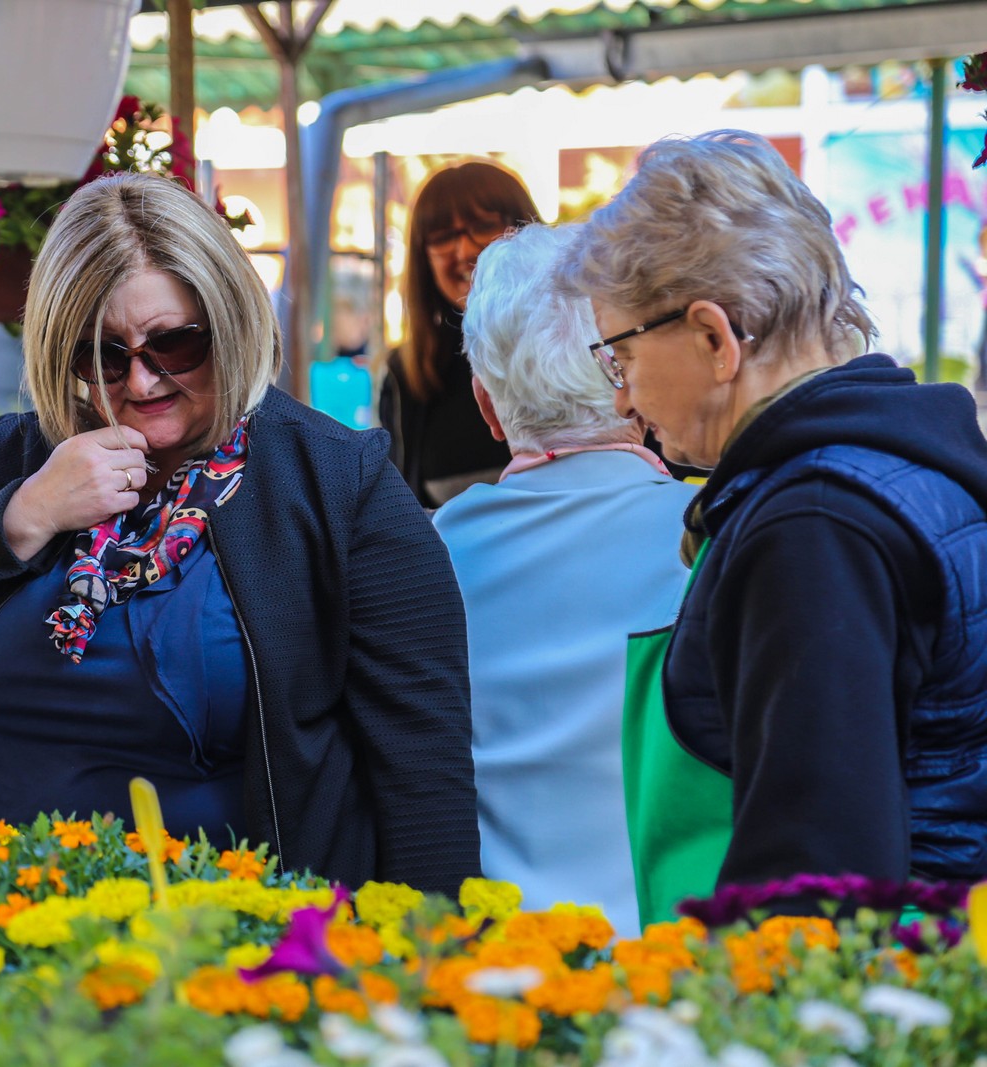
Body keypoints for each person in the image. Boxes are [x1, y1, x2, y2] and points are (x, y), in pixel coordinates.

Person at [0, 172, 480, 894]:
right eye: (103, 355)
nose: (142, 383)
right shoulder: (25, 458)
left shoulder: (338, 483)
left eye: (174, 344)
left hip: (232, 950)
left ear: (230, 322)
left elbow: (423, 774)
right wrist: (25, 514)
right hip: (1, 938)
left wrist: (431, 964)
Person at [556, 129, 987, 894]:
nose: (621, 397)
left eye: (618, 357)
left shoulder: (813, 527)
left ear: (714, 338)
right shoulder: (901, 469)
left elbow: (814, 877)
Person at [433, 223, 696, 936]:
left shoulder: (434, 549)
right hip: (673, 961)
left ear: (486, 405)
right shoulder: (709, 540)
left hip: (490, 956)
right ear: (632, 383)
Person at [380, 161, 540, 507]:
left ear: (525, 229)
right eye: (442, 237)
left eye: (483, 226)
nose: (465, 251)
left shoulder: (587, 346)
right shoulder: (406, 375)